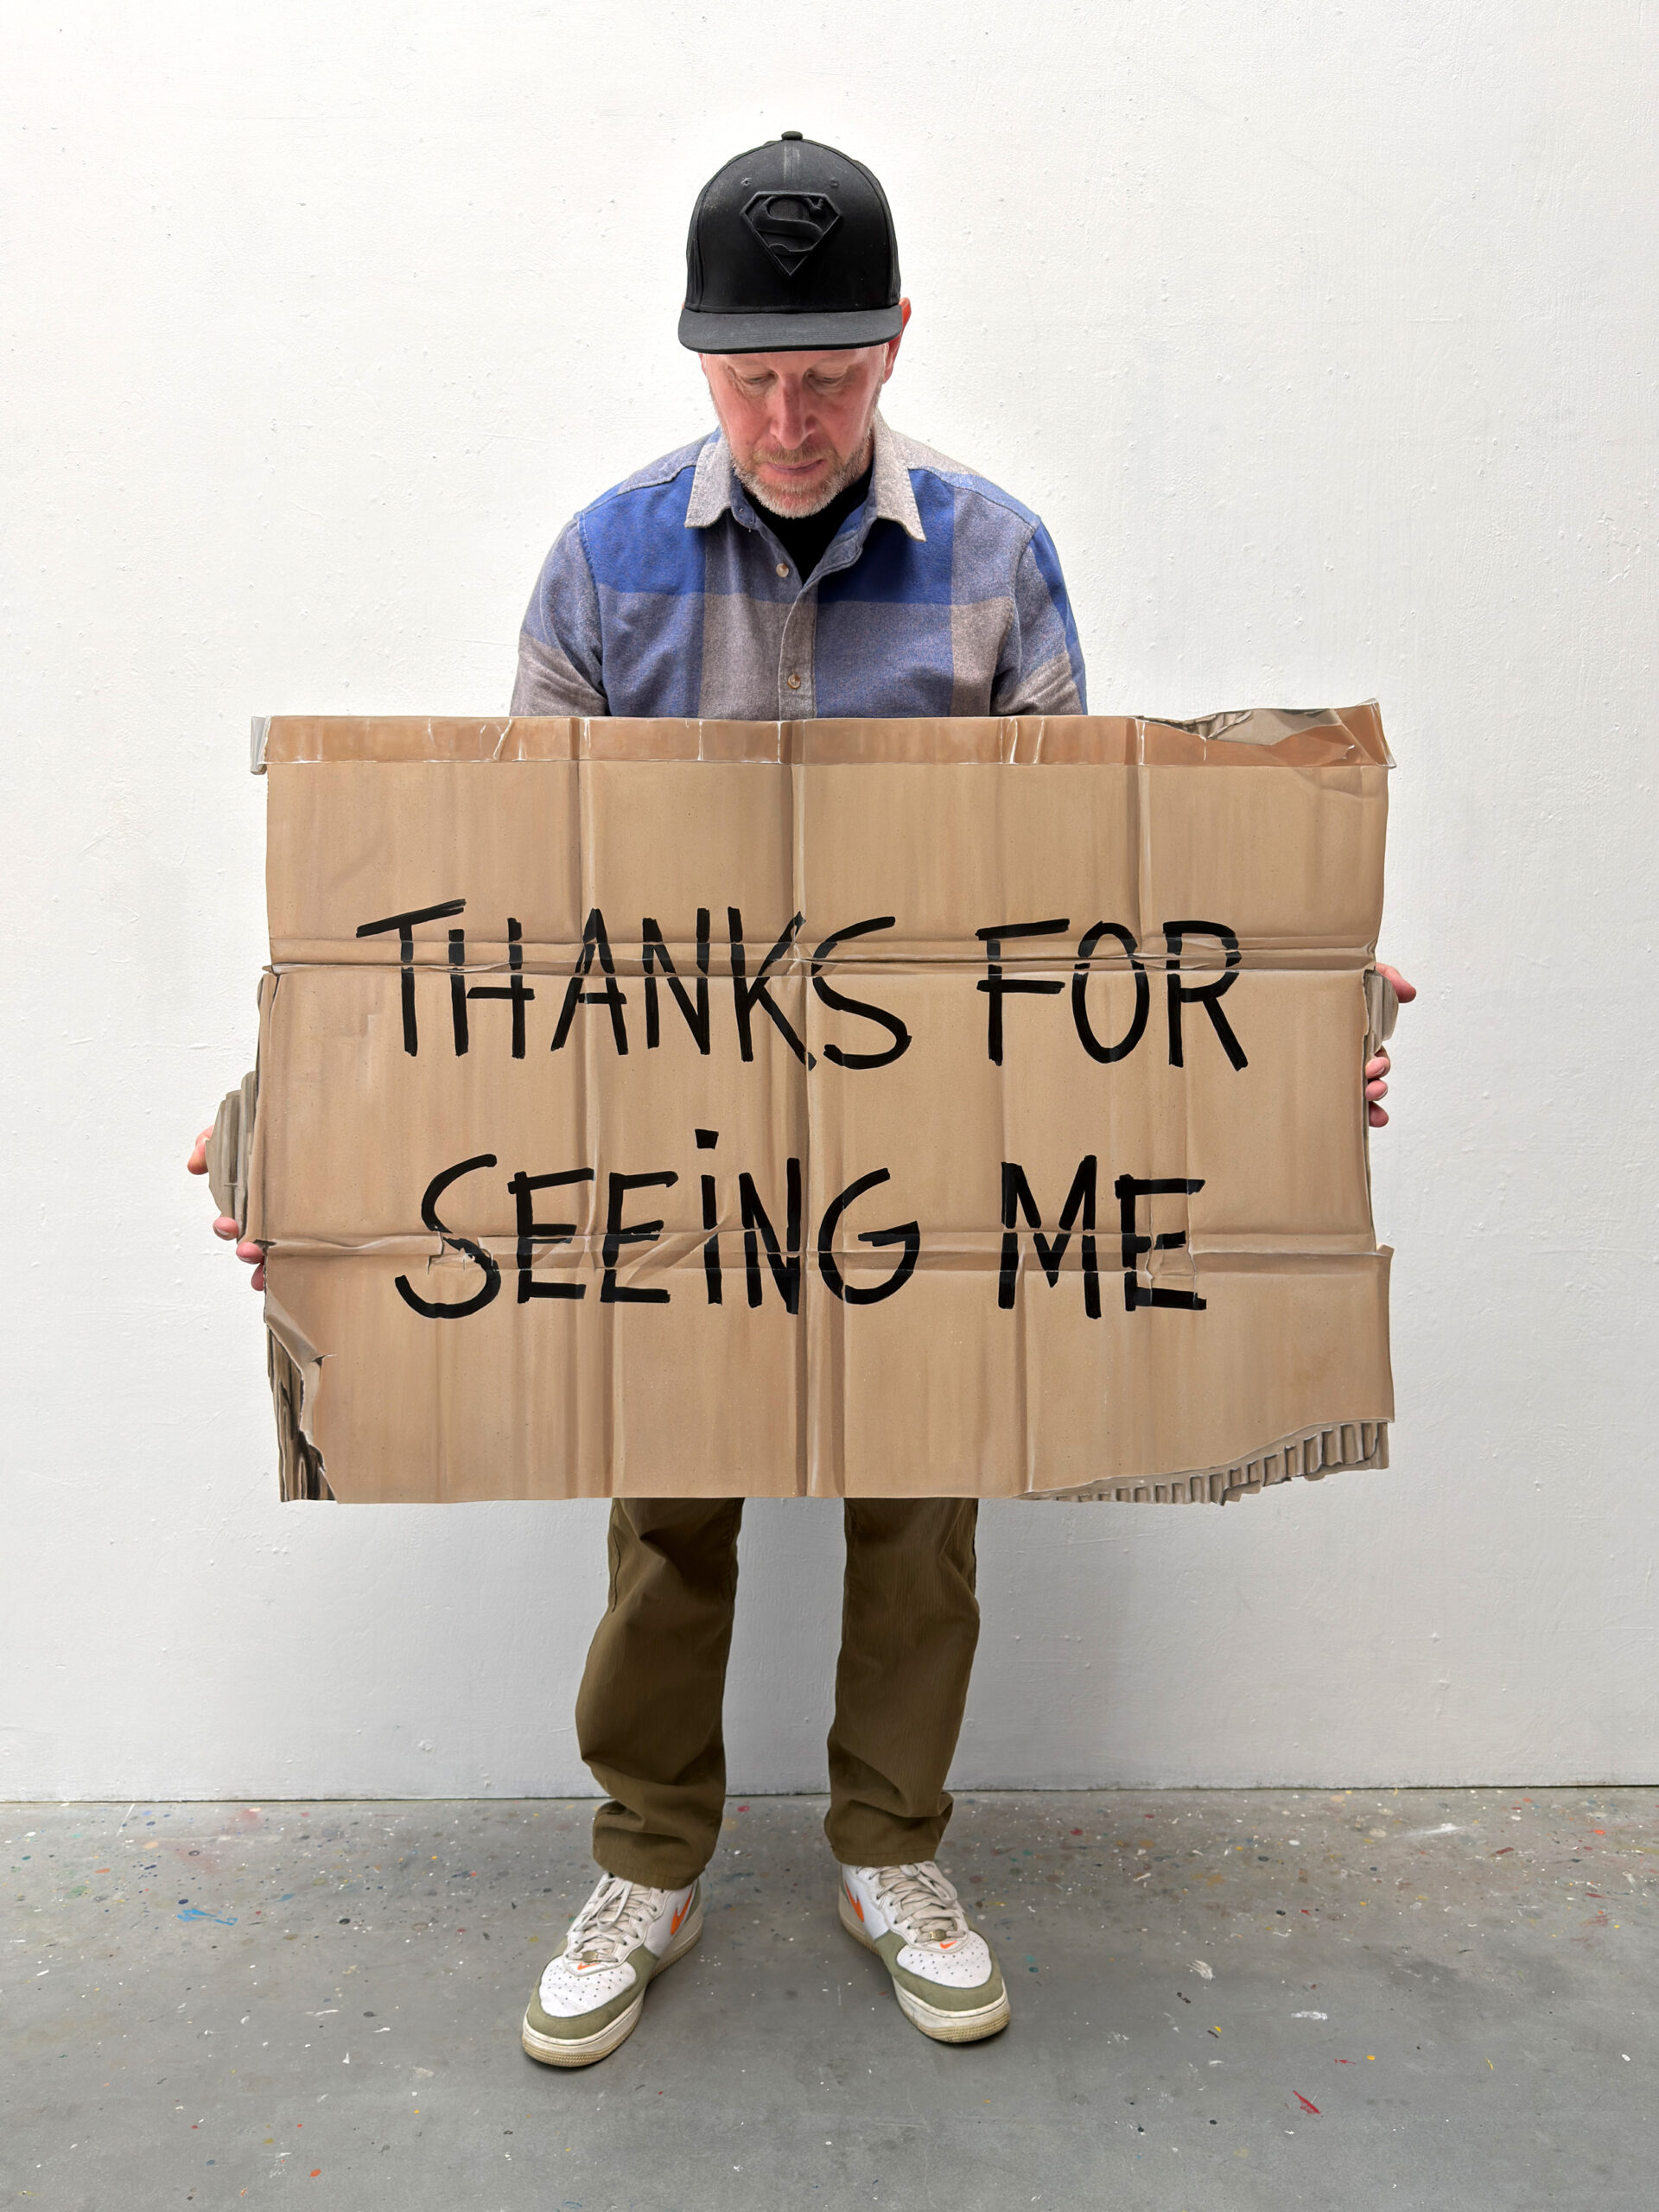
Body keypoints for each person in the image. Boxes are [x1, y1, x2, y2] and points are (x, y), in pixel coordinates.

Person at [190, 131, 1414, 2069]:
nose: (787, 419)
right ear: (697, 356)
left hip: (924, 1156)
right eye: (750, 377)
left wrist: (1274, 1013)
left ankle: (891, 1849)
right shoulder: (602, 565)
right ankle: (649, 1859)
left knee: (920, 1501)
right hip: (665, 1158)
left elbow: (1085, 898)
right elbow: (501, 918)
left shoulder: (998, 562)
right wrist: (305, 1114)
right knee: (664, 1502)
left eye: (828, 376)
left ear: (896, 340)